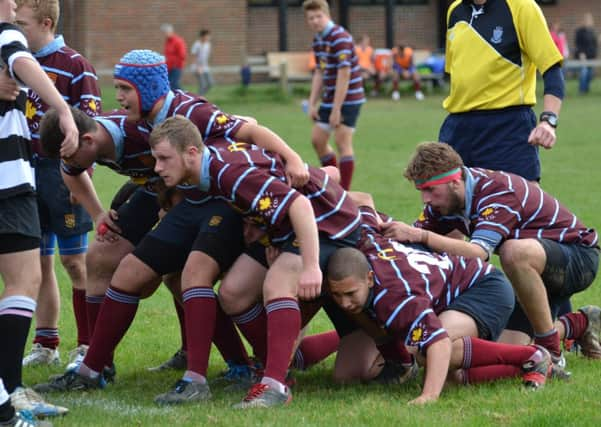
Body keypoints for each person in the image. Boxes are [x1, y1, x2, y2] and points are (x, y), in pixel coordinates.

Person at [146, 116, 362, 408]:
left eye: (163, 158)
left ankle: (275, 386)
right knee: (232, 293)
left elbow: (299, 204)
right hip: (288, 227)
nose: (158, 167)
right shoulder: (208, 170)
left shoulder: (228, 173)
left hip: (327, 223)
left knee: (277, 283)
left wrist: (310, 266)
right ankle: (279, 366)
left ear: (192, 153)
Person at [380, 142, 600, 369]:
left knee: (514, 252)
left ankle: (552, 352)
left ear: (454, 181)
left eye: (429, 190)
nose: (425, 199)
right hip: (532, 272)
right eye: (421, 191)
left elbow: (478, 253)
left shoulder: (497, 190)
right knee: (510, 353)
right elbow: (414, 245)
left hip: (578, 257)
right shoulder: (444, 204)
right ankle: (581, 323)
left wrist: (422, 235)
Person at [327, 237, 552, 405]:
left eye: (350, 294)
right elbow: (364, 201)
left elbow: (439, 341)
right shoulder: (368, 243)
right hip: (445, 293)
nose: (344, 303)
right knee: (449, 376)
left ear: (369, 278)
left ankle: (531, 355)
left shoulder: (396, 299)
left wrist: (428, 396)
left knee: (428, 349)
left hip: (483, 287)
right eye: (337, 295)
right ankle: (528, 367)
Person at [0, 0, 79, 423]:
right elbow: (22, 58)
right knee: (24, 278)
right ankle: (7, 393)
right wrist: (63, 110)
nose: (13, 5)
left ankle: (8, 394)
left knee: (25, 279)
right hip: (7, 181)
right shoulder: (5, 33)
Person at [13, 0, 101, 372]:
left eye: (23, 25)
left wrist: (81, 178)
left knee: (75, 262)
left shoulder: (75, 66)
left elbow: (92, 128)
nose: (17, 32)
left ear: (47, 23)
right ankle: (46, 341)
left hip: (62, 174)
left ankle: (87, 345)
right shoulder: (16, 65)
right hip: (25, 173)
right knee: (39, 262)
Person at [441, 0, 564, 182]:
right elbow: (456, 73)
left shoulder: (522, 6)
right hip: (458, 128)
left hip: (508, 126)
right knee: (445, 204)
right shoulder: (455, 10)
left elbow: (552, 68)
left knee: (520, 201)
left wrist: (548, 121)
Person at [304, 0, 365, 191]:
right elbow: (320, 72)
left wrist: (337, 109)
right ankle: (334, 185)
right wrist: (312, 102)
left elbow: (344, 73)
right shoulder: (318, 39)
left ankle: (343, 193)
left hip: (349, 98)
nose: (315, 21)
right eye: (311, 18)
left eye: (318, 16)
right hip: (330, 97)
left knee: (341, 142)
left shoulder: (340, 36)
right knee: (318, 140)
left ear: (327, 15)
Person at [574, 13, 598, 94]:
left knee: (590, 74)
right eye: (587, 20)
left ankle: (586, 89)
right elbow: (577, 44)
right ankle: (582, 90)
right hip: (583, 56)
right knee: (584, 72)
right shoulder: (579, 31)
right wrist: (581, 53)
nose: (589, 22)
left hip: (591, 56)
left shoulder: (592, 31)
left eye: (590, 20)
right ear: (584, 21)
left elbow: (594, 44)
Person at [160, 23, 186, 90]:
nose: (164, 34)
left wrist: (175, 64)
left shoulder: (178, 41)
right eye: (163, 32)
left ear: (170, 31)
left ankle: (185, 96)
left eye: (165, 32)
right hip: (169, 67)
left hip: (176, 67)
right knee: (169, 85)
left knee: (174, 84)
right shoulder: (168, 41)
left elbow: (182, 55)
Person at [190, 29, 212, 95]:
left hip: (205, 67)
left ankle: (199, 96)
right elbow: (193, 56)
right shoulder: (197, 44)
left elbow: (207, 56)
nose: (208, 38)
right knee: (203, 84)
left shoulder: (208, 44)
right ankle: (199, 99)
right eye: (207, 36)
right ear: (202, 36)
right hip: (197, 67)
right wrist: (197, 68)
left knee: (210, 83)